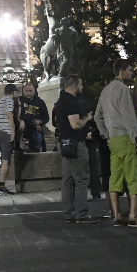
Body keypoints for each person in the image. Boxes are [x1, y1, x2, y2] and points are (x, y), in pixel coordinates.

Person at [95, 60, 137, 226]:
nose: (131, 73)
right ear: (121, 72)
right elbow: (128, 116)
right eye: (129, 70)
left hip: (113, 140)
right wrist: (136, 137)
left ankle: (117, 214)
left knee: (115, 177)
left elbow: (98, 116)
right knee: (134, 176)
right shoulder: (123, 90)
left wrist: (106, 134)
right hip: (126, 138)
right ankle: (134, 215)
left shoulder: (105, 91)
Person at [53, 74, 95, 222]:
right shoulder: (70, 101)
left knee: (68, 180)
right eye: (81, 85)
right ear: (75, 86)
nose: (82, 88)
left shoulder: (61, 100)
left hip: (64, 144)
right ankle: (81, 213)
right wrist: (87, 119)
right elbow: (75, 124)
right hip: (75, 144)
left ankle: (69, 213)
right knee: (82, 179)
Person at [0, 85, 18, 194]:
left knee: (4, 159)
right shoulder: (8, 101)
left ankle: (1, 186)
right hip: (5, 131)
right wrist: (13, 131)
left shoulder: (0, 101)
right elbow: (9, 115)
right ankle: (1, 186)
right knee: (6, 161)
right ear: (13, 92)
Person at [18, 81, 50, 153]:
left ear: (34, 91)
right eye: (26, 91)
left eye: (30, 91)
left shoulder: (40, 102)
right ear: (23, 91)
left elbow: (46, 117)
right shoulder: (19, 100)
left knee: (38, 141)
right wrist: (20, 121)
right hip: (22, 128)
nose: (28, 93)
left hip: (35, 128)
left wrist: (40, 122)